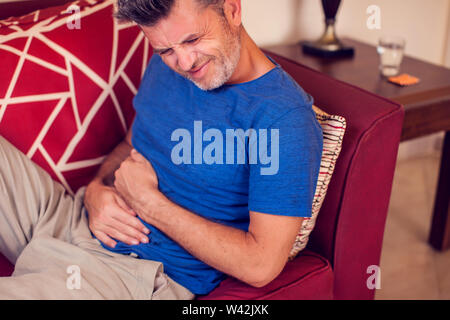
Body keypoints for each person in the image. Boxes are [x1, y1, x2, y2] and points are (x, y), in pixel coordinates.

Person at [0, 0, 323, 299]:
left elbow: (260, 265)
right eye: (166, 49)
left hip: (128, 272)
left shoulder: (282, 118)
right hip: (75, 217)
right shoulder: (167, 67)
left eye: (193, 39)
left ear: (232, 10)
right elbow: (129, 145)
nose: (184, 62)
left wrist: (149, 203)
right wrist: (97, 190)